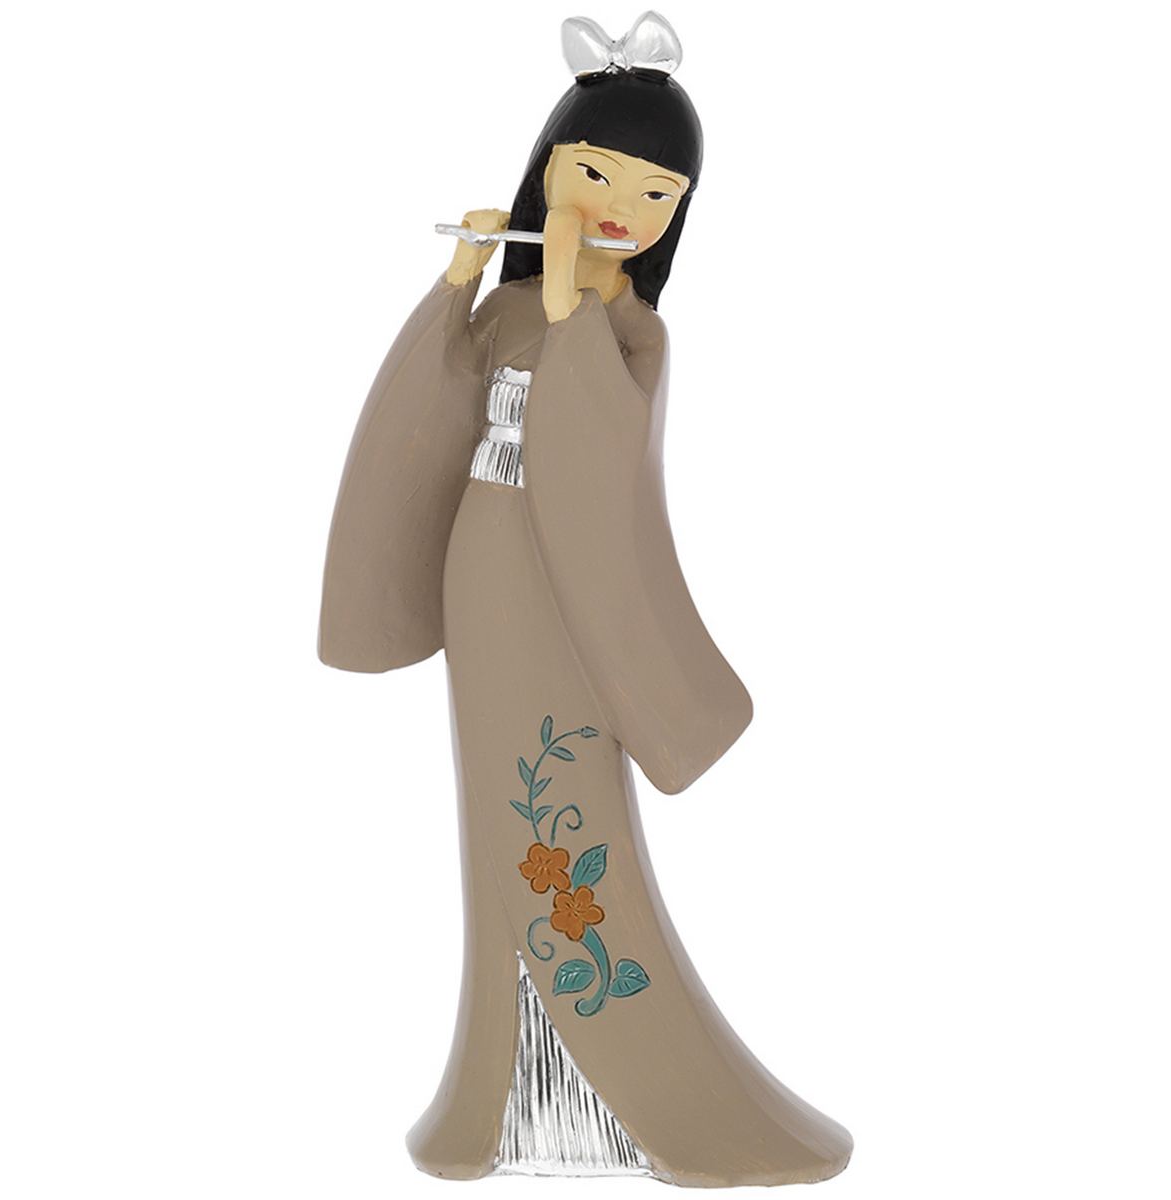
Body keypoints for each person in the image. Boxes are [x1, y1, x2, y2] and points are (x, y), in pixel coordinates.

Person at [318, 12, 852, 1186]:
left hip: (575, 585)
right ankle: (499, 1093)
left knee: (565, 801)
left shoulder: (632, 332)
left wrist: (569, 308)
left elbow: (603, 453)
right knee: (494, 803)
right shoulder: (510, 310)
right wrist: (459, 283)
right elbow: (426, 411)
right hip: (487, 566)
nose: (620, 206)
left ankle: (638, 1084)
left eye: (656, 193)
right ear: (548, 166)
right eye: (596, 173)